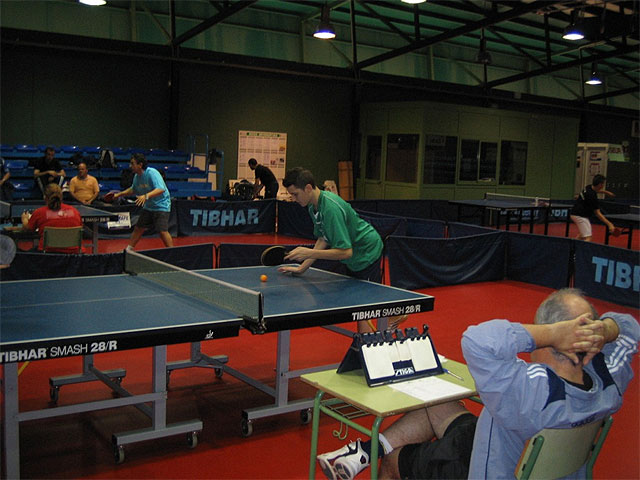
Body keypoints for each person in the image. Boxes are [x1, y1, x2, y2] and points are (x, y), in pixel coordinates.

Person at [316, 288, 639, 480]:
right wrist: (604, 331)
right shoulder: (608, 380)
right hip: (525, 453)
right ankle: (363, 451)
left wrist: (553, 333)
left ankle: (377, 454)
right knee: (439, 397)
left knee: (394, 461)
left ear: (555, 335)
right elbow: (629, 326)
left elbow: (478, 340)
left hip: (487, 470)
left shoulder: (527, 390)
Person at [281, 167, 392, 333]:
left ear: (308, 188)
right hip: (353, 256)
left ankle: (367, 343)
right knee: (358, 303)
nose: (293, 199)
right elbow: (323, 238)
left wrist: (309, 252)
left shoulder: (330, 208)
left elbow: (345, 252)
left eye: (295, 194)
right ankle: (390, 318)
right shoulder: (313, 207)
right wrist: (302, 267)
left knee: (363, 308)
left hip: (366, 251)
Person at [111, 153, 173, 248]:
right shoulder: (137, 176)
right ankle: (129, 249)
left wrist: (145, 196)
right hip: (149, 206)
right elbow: (133, 189)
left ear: (140, 165)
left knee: (162, 231)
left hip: (161, 205)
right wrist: (119, 194)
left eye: (132, 163)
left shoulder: (152, 173)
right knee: (138, 228)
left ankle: (172, 251)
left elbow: (161, 189)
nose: (130, 166)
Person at [20, 183, 83, 253]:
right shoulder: (74, 211)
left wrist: (25, 220)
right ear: (61, 196)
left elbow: (27, 230)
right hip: (73, 255)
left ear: (44, 197)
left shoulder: (39, 212)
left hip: (48, 255)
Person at [571, 174, 617, 242]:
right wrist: (610, 224)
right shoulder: (592, 197)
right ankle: (582, 248)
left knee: (582, 234)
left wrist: (606, 192)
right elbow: (598, 213)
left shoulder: (588, 187)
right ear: (600, 184)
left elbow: (596, 190)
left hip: (575, 213)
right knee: (588, 237)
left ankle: (572, 247)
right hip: (579, 216)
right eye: (603, 184)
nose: (603, 185)